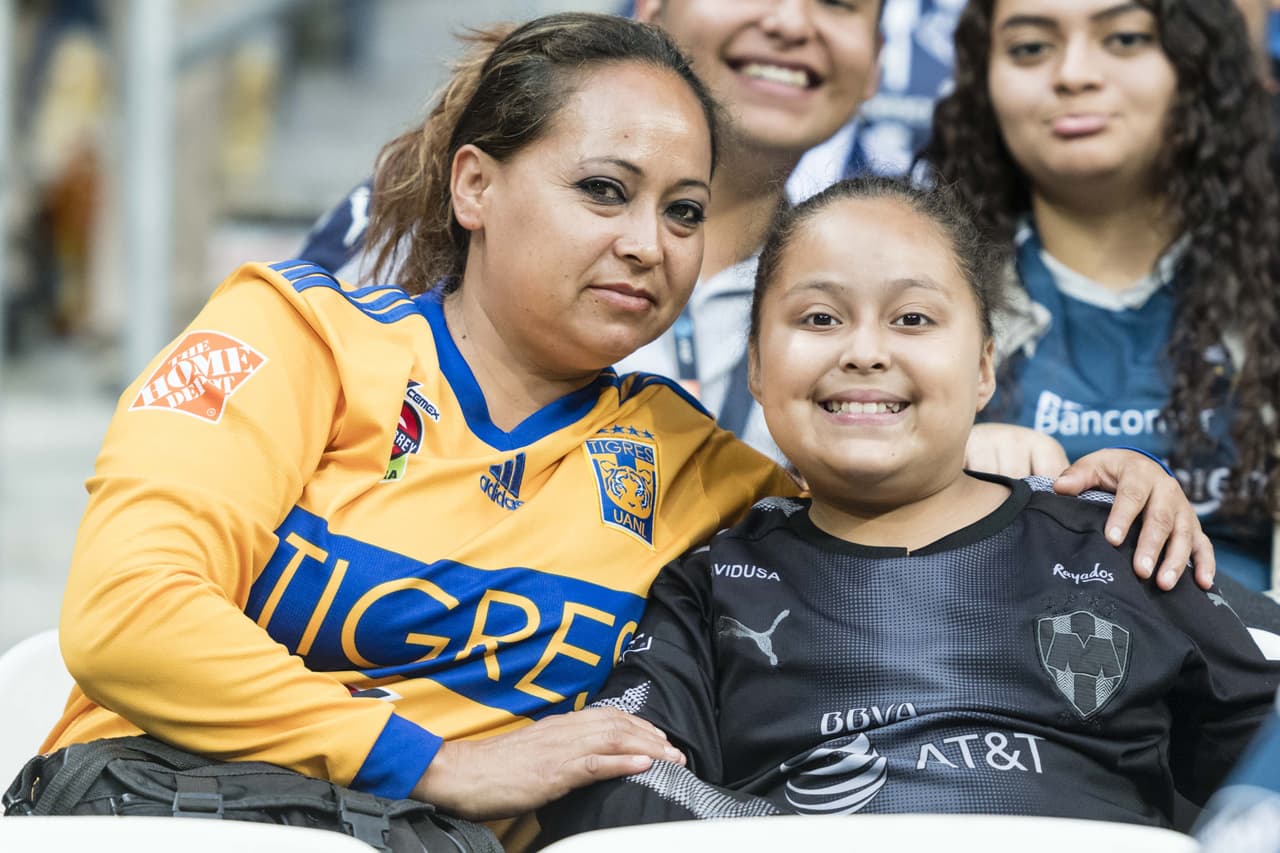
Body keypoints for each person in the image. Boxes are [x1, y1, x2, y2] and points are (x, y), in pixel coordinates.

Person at [8, 9, 1208, 849]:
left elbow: (880, 504)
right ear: (475, 186)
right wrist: (436, 760)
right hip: (160, 813)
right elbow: (127, 615)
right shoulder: (293, 336)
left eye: (683, 212)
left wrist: (1073, 481)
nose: (647, 244)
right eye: (601, 190)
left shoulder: (687, 462)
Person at [536, 177, 1280, 844]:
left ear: (984, 367)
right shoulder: (712, 583)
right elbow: (609, 778)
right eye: (820, 318)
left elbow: (1263, 739)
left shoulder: (1117, 541)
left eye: (914, 319)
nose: (865, 351)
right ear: (757, 366)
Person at [919, 0, 1280, 591]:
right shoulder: (912, 292)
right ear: (983, 83)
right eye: (1031, 47)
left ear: (1196, 64)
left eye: (1125, 38)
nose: (1074, 74)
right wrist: (927, 474)